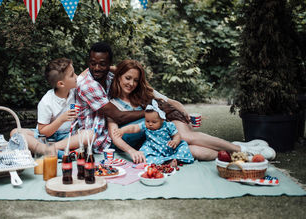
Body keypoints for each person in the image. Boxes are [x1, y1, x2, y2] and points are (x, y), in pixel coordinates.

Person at [108, 59, 276, 163]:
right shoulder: (112, 104)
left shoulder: (142, 93)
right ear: (118, 77)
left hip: (168, 124)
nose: (131, 83)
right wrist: (132, 151)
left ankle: (243, 150)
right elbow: (114, 134)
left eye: (135, 80)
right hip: (155, 141)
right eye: (127, 78)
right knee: (196, 151)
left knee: (188, 137)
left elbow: (169, 101)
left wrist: (182, 111)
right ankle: (241, 152)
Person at [10, 58, 93, 155]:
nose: (76, 76)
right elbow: (43, 131)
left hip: (66, 137)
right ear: (61, 84)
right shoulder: (47, 102)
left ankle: (49, 150)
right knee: (15, 133)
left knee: (90, 135)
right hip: (45, 137)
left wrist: (113, 68)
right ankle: (57, 151)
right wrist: (61, 120)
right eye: (72, 75)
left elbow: (87, 72)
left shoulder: (73, 89)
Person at [76, 42, 144, 153]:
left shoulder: (109, 77)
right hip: (101, 140)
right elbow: (118, 116)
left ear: (110, 64)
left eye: (102, 64)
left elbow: (127, 75)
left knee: (157, 121)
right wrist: (152, 111)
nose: (96, 68)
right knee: (151, 121)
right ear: (89, 62)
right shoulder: (88, 85)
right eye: (93, 63)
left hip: (114, 129)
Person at [117, 99, 194, 165]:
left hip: (168, 147)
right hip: (152, 149)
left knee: (183, 146)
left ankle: (175, 159)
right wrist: (123, 130)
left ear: (162, 120)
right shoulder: (145, 125)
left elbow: (176, 135)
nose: (150, 124)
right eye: (147, 121)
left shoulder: (168, 125)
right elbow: (134, 128)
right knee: (144, 155)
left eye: (154, 122)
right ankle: (166, 162)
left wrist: (175, 141)